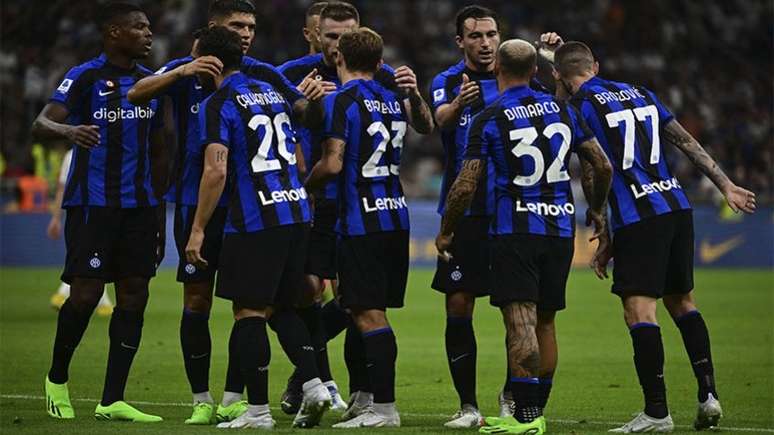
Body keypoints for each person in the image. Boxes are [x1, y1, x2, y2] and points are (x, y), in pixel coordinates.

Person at [127, 0, 325, 425]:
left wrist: (312, 102)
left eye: (251, 26)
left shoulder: (262, 73)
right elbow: (135, 92)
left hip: (249, 210)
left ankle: (238, 398)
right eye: (237, 26)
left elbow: (302, 113)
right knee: (197, 301)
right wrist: (182, 72)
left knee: (254, 305)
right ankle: (202, 398)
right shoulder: (188, 67)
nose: (246, 34)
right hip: (196, 201)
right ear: (214, 28)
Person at [552, 41, 757, 433]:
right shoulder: (642, 93)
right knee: (683, 302)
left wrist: (597, 214)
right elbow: (686, 142)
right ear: (595, 65)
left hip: (638, 215)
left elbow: (601, 167)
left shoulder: (580, 107)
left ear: (561, 76)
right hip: (677, 206)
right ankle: (708, 395)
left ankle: (657, 412)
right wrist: (726, 185)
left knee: (639, 311)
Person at [436, 39, 613, 435]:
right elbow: (601, 165)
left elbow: (466, 185)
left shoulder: (490, 115)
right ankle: (532, 412)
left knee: (520, 323)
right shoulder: (563, 110)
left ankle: (526, 419)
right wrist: (598, 210)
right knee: (546, 323)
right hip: (560, 229)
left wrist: (447, 230)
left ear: (497, 67)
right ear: (536, 71)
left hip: (515, 231)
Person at [278, 1, 433, 418]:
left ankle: (358, 391)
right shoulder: (293, 74)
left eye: (342, 37)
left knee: (357, 305)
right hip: (370, 210)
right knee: (319, 293)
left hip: (344, 205)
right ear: (313, 34)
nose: (335, 44)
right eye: (329, 36)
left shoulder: (370, 87)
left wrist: (415, 94)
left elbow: (423, 124)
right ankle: (319, 378)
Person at [185, 25, 331, 430]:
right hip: (296, 211)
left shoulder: (219, 102)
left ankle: (258, 412)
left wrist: (198, 228)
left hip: (255, 219)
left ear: (211, 61)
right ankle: (317, 384)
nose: (194, 66)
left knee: (248, 312)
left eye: (197, 58)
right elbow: (301, 161)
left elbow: (215, 170)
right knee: (282, 307)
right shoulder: (271, 93)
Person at [31, 2, 167, 423]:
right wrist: (69, 129)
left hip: (141, 207)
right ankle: (56, 378)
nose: (148, 34)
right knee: (86, 295)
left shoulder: (150, 84)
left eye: (148, 27)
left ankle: (113, 399)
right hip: (94, 204)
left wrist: (159, 211)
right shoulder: (85, 75)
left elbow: (160, 150)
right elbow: (41, 122)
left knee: (134, 296)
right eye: (139, 27)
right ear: (114, 32)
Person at [429, 5, 565, 425]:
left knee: (524, 313)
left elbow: (560, 112)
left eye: (490, 35)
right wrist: (455, 105)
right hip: (468, 214)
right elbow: (440, 120)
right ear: (460, 42)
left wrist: (549, 62)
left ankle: (513, 396)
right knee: (458, 304)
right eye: (475, 36)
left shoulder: (523, 79)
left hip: (516, 214)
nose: (484, 43)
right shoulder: (449, 81)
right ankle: (468, 406)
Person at [48, 148, 114, 317]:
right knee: (91, 257)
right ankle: (68, 294)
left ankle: (65, 294)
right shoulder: (72, 155)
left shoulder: (109, 149)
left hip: (103, 210)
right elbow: (62, 188)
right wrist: (56, 218)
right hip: (83, 212)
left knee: (97, 256)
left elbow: (62, 189)